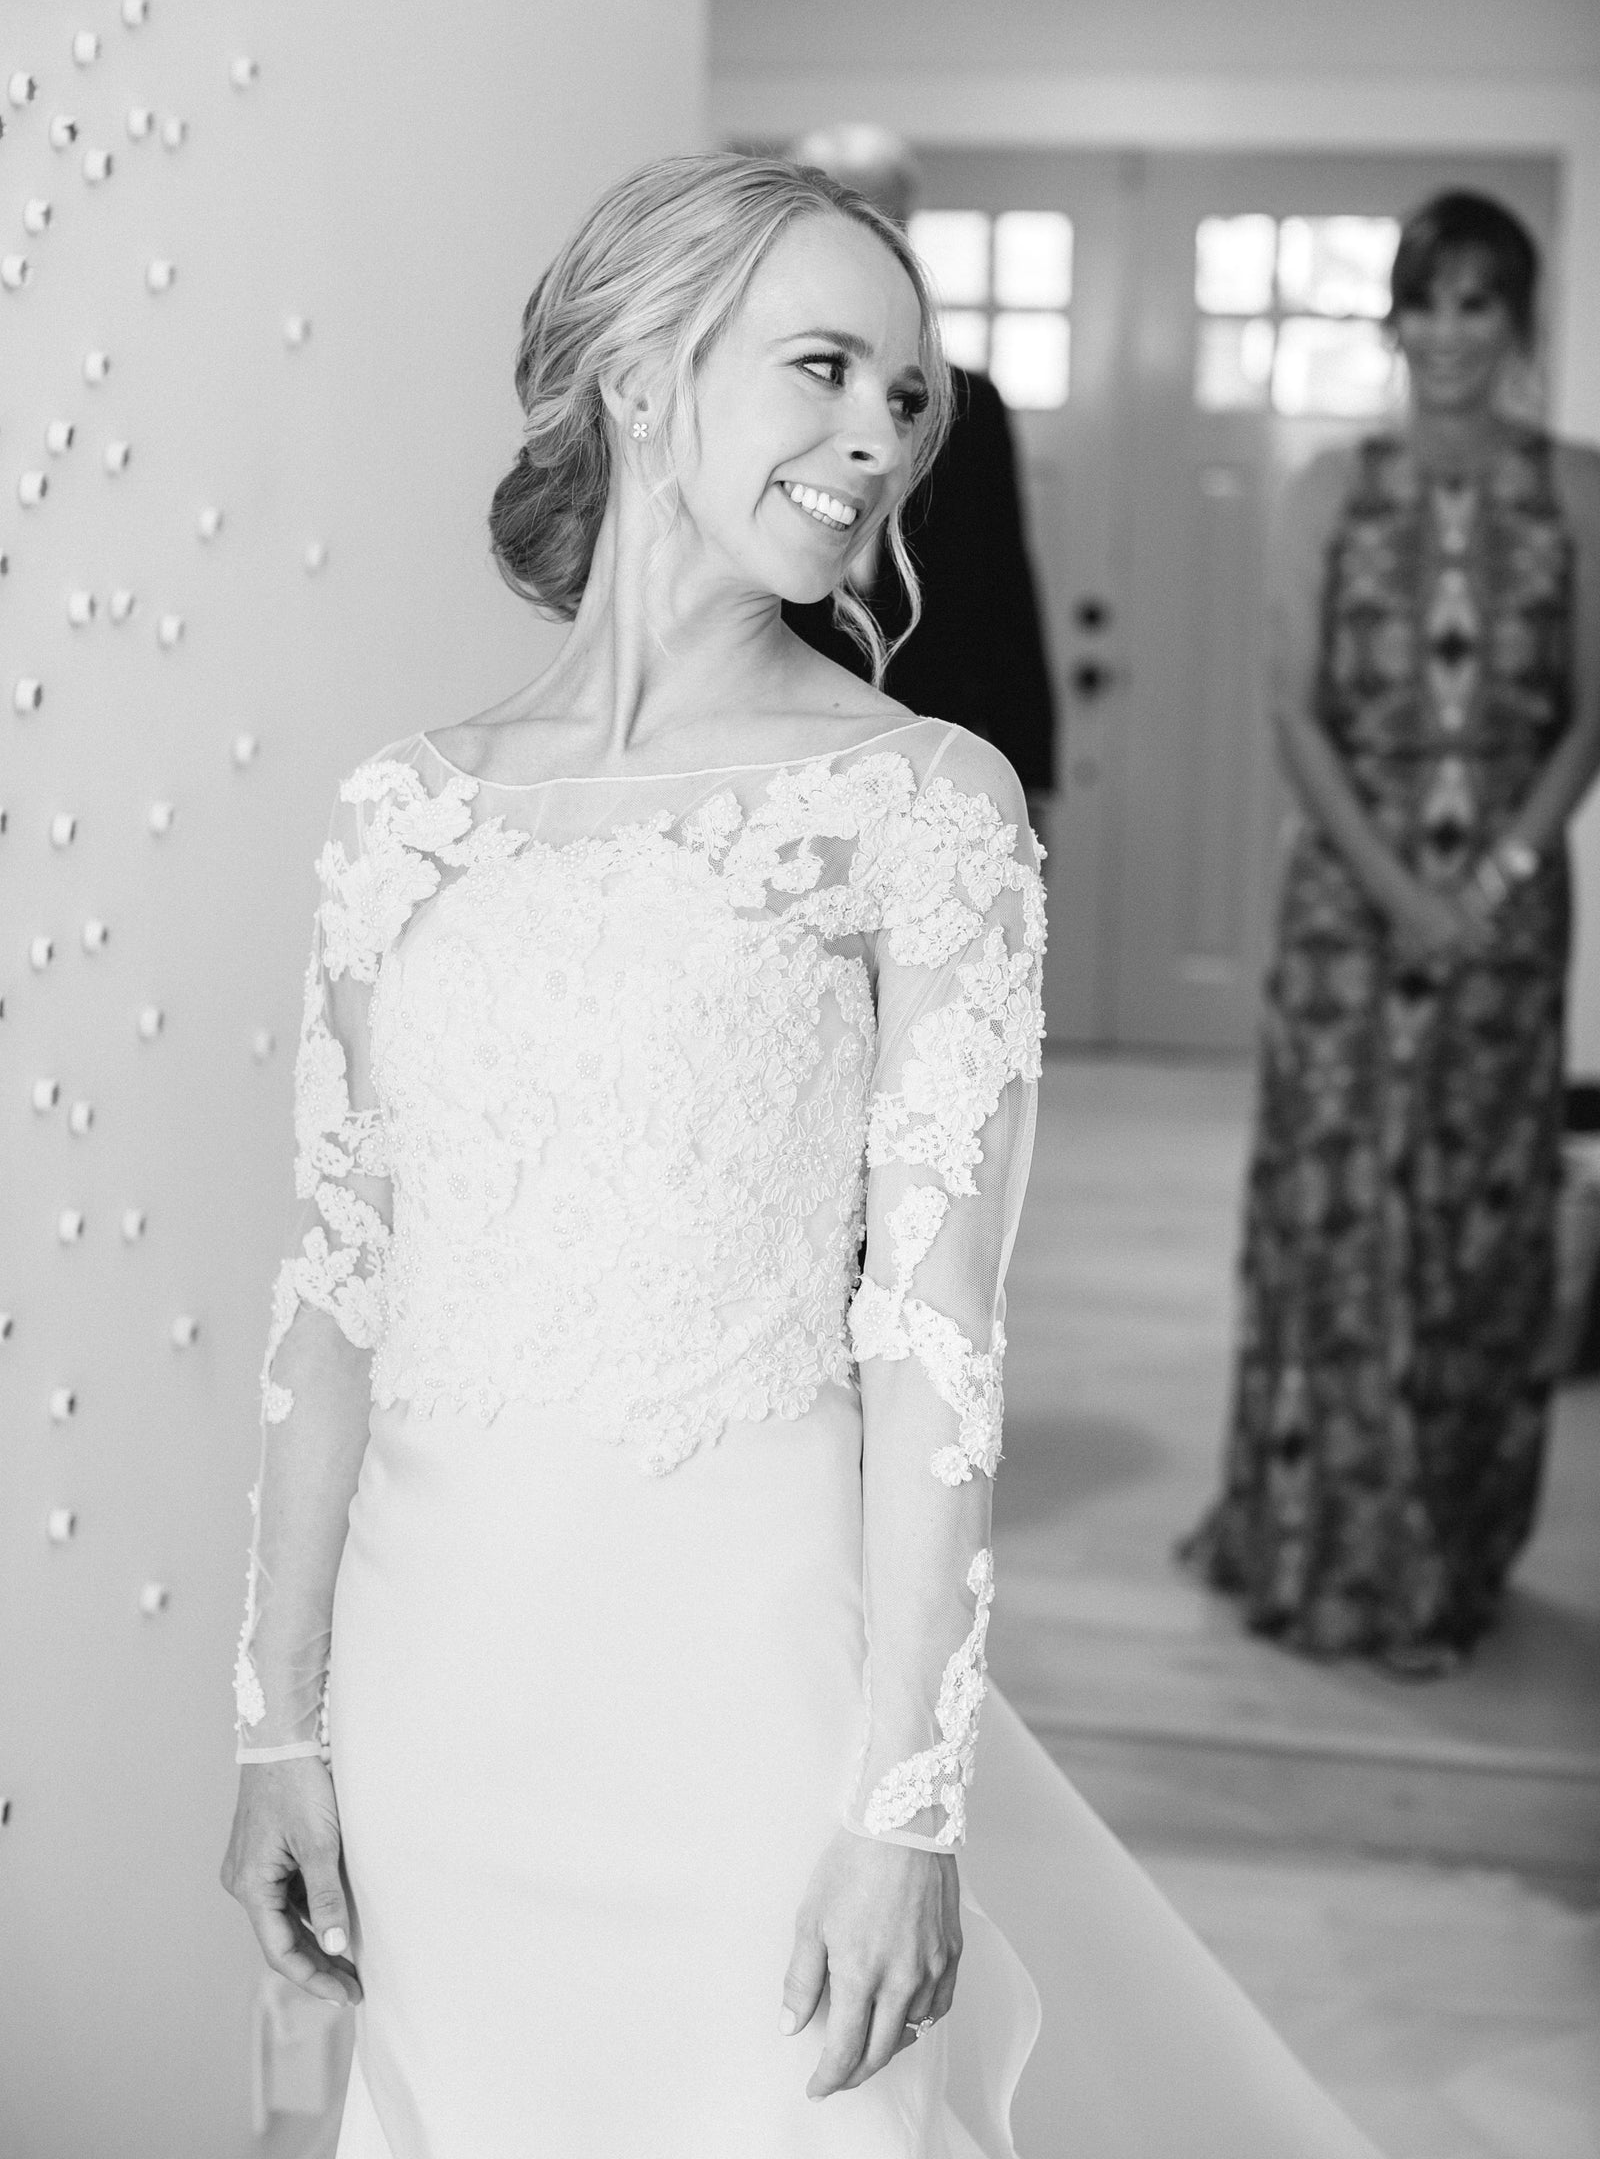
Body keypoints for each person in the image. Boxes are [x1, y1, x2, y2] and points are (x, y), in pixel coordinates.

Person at [221, 152, 1382, 2157]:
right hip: (437, 1701)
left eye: (905, 395)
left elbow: (934, 1344)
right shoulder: (399, 816)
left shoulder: (915, 803)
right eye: (826, 368)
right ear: (645, 376)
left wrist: (899, 1809)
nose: (879, 440)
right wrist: (278, 1725)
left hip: (749, 1699)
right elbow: (333, 1293)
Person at [1182, 190, 1600, 1673]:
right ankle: (1323, 1554)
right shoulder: (1327, 486)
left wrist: (1485, 887)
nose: (1447, 334)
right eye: (1423, 303)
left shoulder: (1577, 488)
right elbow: (1293, 711)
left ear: (1518, 322)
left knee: (1474, 1233)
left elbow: (1588, 717)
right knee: (1339, 1217)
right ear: (1395, 323)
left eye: (1478, 304)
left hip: (1510, 912)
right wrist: (1404, 891)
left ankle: (1450, 1553)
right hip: (1346, 912)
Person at [779, 126, 1057, 839]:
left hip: (941, 744)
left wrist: (1032, 769)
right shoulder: (767, 394)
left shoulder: (971, 403)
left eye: (880, 220)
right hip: (787, 750)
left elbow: (1006, 581)